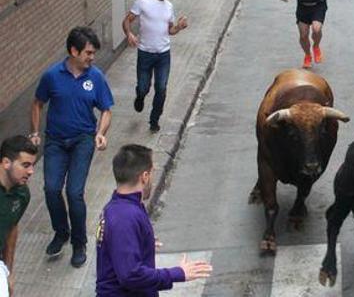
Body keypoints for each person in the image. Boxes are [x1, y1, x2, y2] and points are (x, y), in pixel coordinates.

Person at [31, 26, 114, 268]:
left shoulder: (96, 77)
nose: (92, 57)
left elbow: (106, 109)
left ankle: (79, 243)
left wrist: (100, 133)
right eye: (88, 53)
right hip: (55, 142)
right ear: (73, 51)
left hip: (82, 141)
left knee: (74, 192)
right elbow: (37, 103)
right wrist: (34, 132)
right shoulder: (52, 76)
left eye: (93, 53)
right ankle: (61, 232)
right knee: (51, 189)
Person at [96, 144, 212, 295]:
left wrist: (144, 241)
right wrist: (177, 273)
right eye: (152, 173)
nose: (152, 177)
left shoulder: (117, 208)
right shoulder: (125, 217)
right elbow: (130, 275)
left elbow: (119, 249)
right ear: (144, 177)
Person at [122, 0, 189, 133]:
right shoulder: (143, 1)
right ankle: (140, 96)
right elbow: (127, 20)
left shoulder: (169, 7)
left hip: (163, 55)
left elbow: (170, 31)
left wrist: (178, 27)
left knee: (161, 88)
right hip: (145, 53)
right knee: (144, 87)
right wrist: (129, 33)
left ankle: (154, 120)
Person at [0, 136, 38, 296]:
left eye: (32, 165)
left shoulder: (22, 194)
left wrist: (9, 272)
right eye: (25, 165)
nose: (31, 171)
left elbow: (12, 228)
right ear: (6, 163)